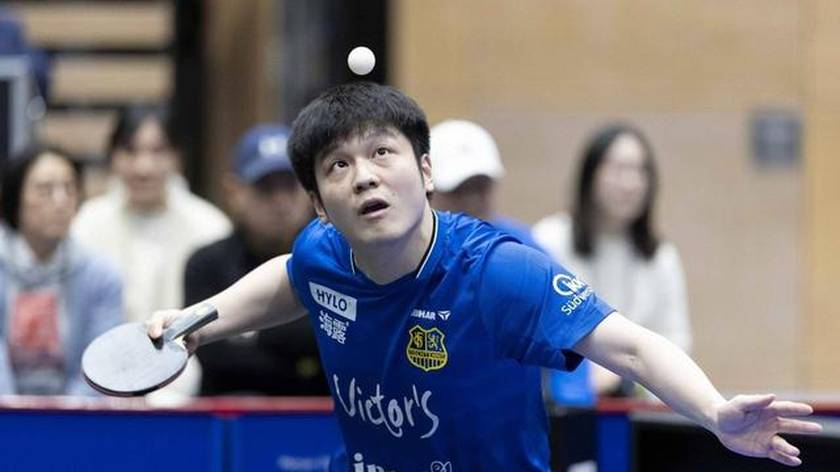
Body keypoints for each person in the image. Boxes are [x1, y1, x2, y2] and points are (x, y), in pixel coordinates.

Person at [148, 82, 819, 470]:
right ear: (320, 204)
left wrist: (714, 413)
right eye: (338, 166)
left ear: (426, 172)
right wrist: (198, 323)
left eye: (382, 153)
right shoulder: (323, 251)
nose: (365, 176)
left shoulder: (499, 273)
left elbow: (632, 346)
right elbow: (290, 278)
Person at [72, 105, 231, 398]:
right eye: (130, 151)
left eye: (158, 151)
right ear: (112, 157)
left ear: (178, 157)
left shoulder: (211, 226)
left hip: (188, 388)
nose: (143, 167)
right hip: (97, 382)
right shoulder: (86, 225)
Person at [533, 124, 691, 397]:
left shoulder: (661, 256)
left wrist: (626, 379)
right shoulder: (549, 240)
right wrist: (583, 378)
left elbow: (677, 342)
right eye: (618, 169)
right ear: (590, 175)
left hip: (636, 407)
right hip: (559, 404)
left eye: (640, 171)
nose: (630, 183)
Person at [185, 124, 327, 396]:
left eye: (290, 186)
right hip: (227, 415)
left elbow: (337, 350)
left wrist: (250, 332)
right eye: (266, 188)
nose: (280, 201)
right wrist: (300, 349)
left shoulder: (337, 262)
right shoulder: (206, 264)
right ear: (234, 192)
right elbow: (215, 359)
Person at [0, 146, 122, 395]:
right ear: (16, 197)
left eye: (69, 188)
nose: (60, 201)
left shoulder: (101, 276)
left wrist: (64, 412)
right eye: (45, 190)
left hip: (76, 412)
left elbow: (102, 366)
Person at [429, 119, 543, 250]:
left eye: (480, 187)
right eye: (458, 191)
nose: (472, 202)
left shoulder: (522, 247)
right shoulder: (412, 251)